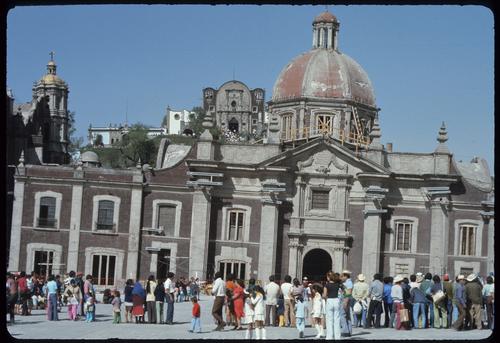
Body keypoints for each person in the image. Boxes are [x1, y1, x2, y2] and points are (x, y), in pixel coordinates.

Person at [323, 271, 342, 339]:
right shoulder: (338, 284)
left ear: (328, 277)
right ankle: (337, 337)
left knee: (329, 320)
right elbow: (344, 291)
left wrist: (325, 298)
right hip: (336, 300)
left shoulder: (327, 285)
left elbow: (324, 295)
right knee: (337, 319)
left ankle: (329, 337)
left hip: (329, 300)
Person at [339, 270, 353, 337]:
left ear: (345, 276)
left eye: (342, 276)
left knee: (342, 315)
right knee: (347, 315)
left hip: (345, 299)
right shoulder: (348, 282)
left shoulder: (348, 282)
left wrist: (345, 301)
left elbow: (349, 292)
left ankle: (345, 331)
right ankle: (349, 330)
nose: (341, 278)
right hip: (346, 299)